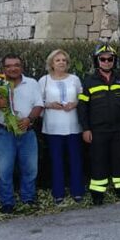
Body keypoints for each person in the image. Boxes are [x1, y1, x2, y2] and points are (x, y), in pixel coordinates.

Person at [77, 44, 120, 204]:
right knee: (98, 160)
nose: (107, 62)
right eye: (103, 59)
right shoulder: (88, 82)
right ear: (97, 61)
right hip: (98, 130)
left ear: (114, 61)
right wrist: (85, 129)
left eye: (110, 59)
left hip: (119, 128)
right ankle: (97, 193)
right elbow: (82, 108)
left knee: (119, 159)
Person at [0, 54, 43, 213]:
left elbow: (39, 105)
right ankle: (7, 202)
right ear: (3, 68)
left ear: (22, 67)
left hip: (26, 131)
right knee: (4, 169)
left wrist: (29, 119)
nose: (12, 68)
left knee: (30, 168)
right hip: (3, 132)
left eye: (16, 65)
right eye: (8, 66)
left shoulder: (32, 83)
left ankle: (28, 198)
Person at [38, 49, 85, 203]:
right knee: (56, 161)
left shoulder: (74, 79)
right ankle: (58, 193)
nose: (61, 63)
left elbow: (82, 98)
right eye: (58, 60)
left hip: (73, 126)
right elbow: (38, 101)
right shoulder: (44, 80)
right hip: (53, 127)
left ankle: (77, 191)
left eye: (64, 60)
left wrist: (75, 103)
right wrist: (49, 104)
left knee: (75, 159)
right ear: (51, 63)